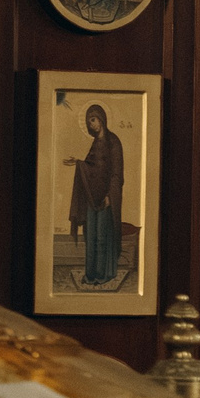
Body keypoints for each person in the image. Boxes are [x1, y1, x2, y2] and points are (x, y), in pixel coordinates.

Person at [69, 102, 125, 286]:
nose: (91, 124)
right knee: (90, 236)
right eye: (88, 121)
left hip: (105, 198)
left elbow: (117, 173)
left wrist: (110, 195)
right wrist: (77, 163)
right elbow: (90, 170)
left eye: (93, 119)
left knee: (101, 238)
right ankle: (90, 274)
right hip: (91, 199)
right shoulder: (95, 144)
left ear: (101, 119)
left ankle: (102, 274)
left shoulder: (114, 142)